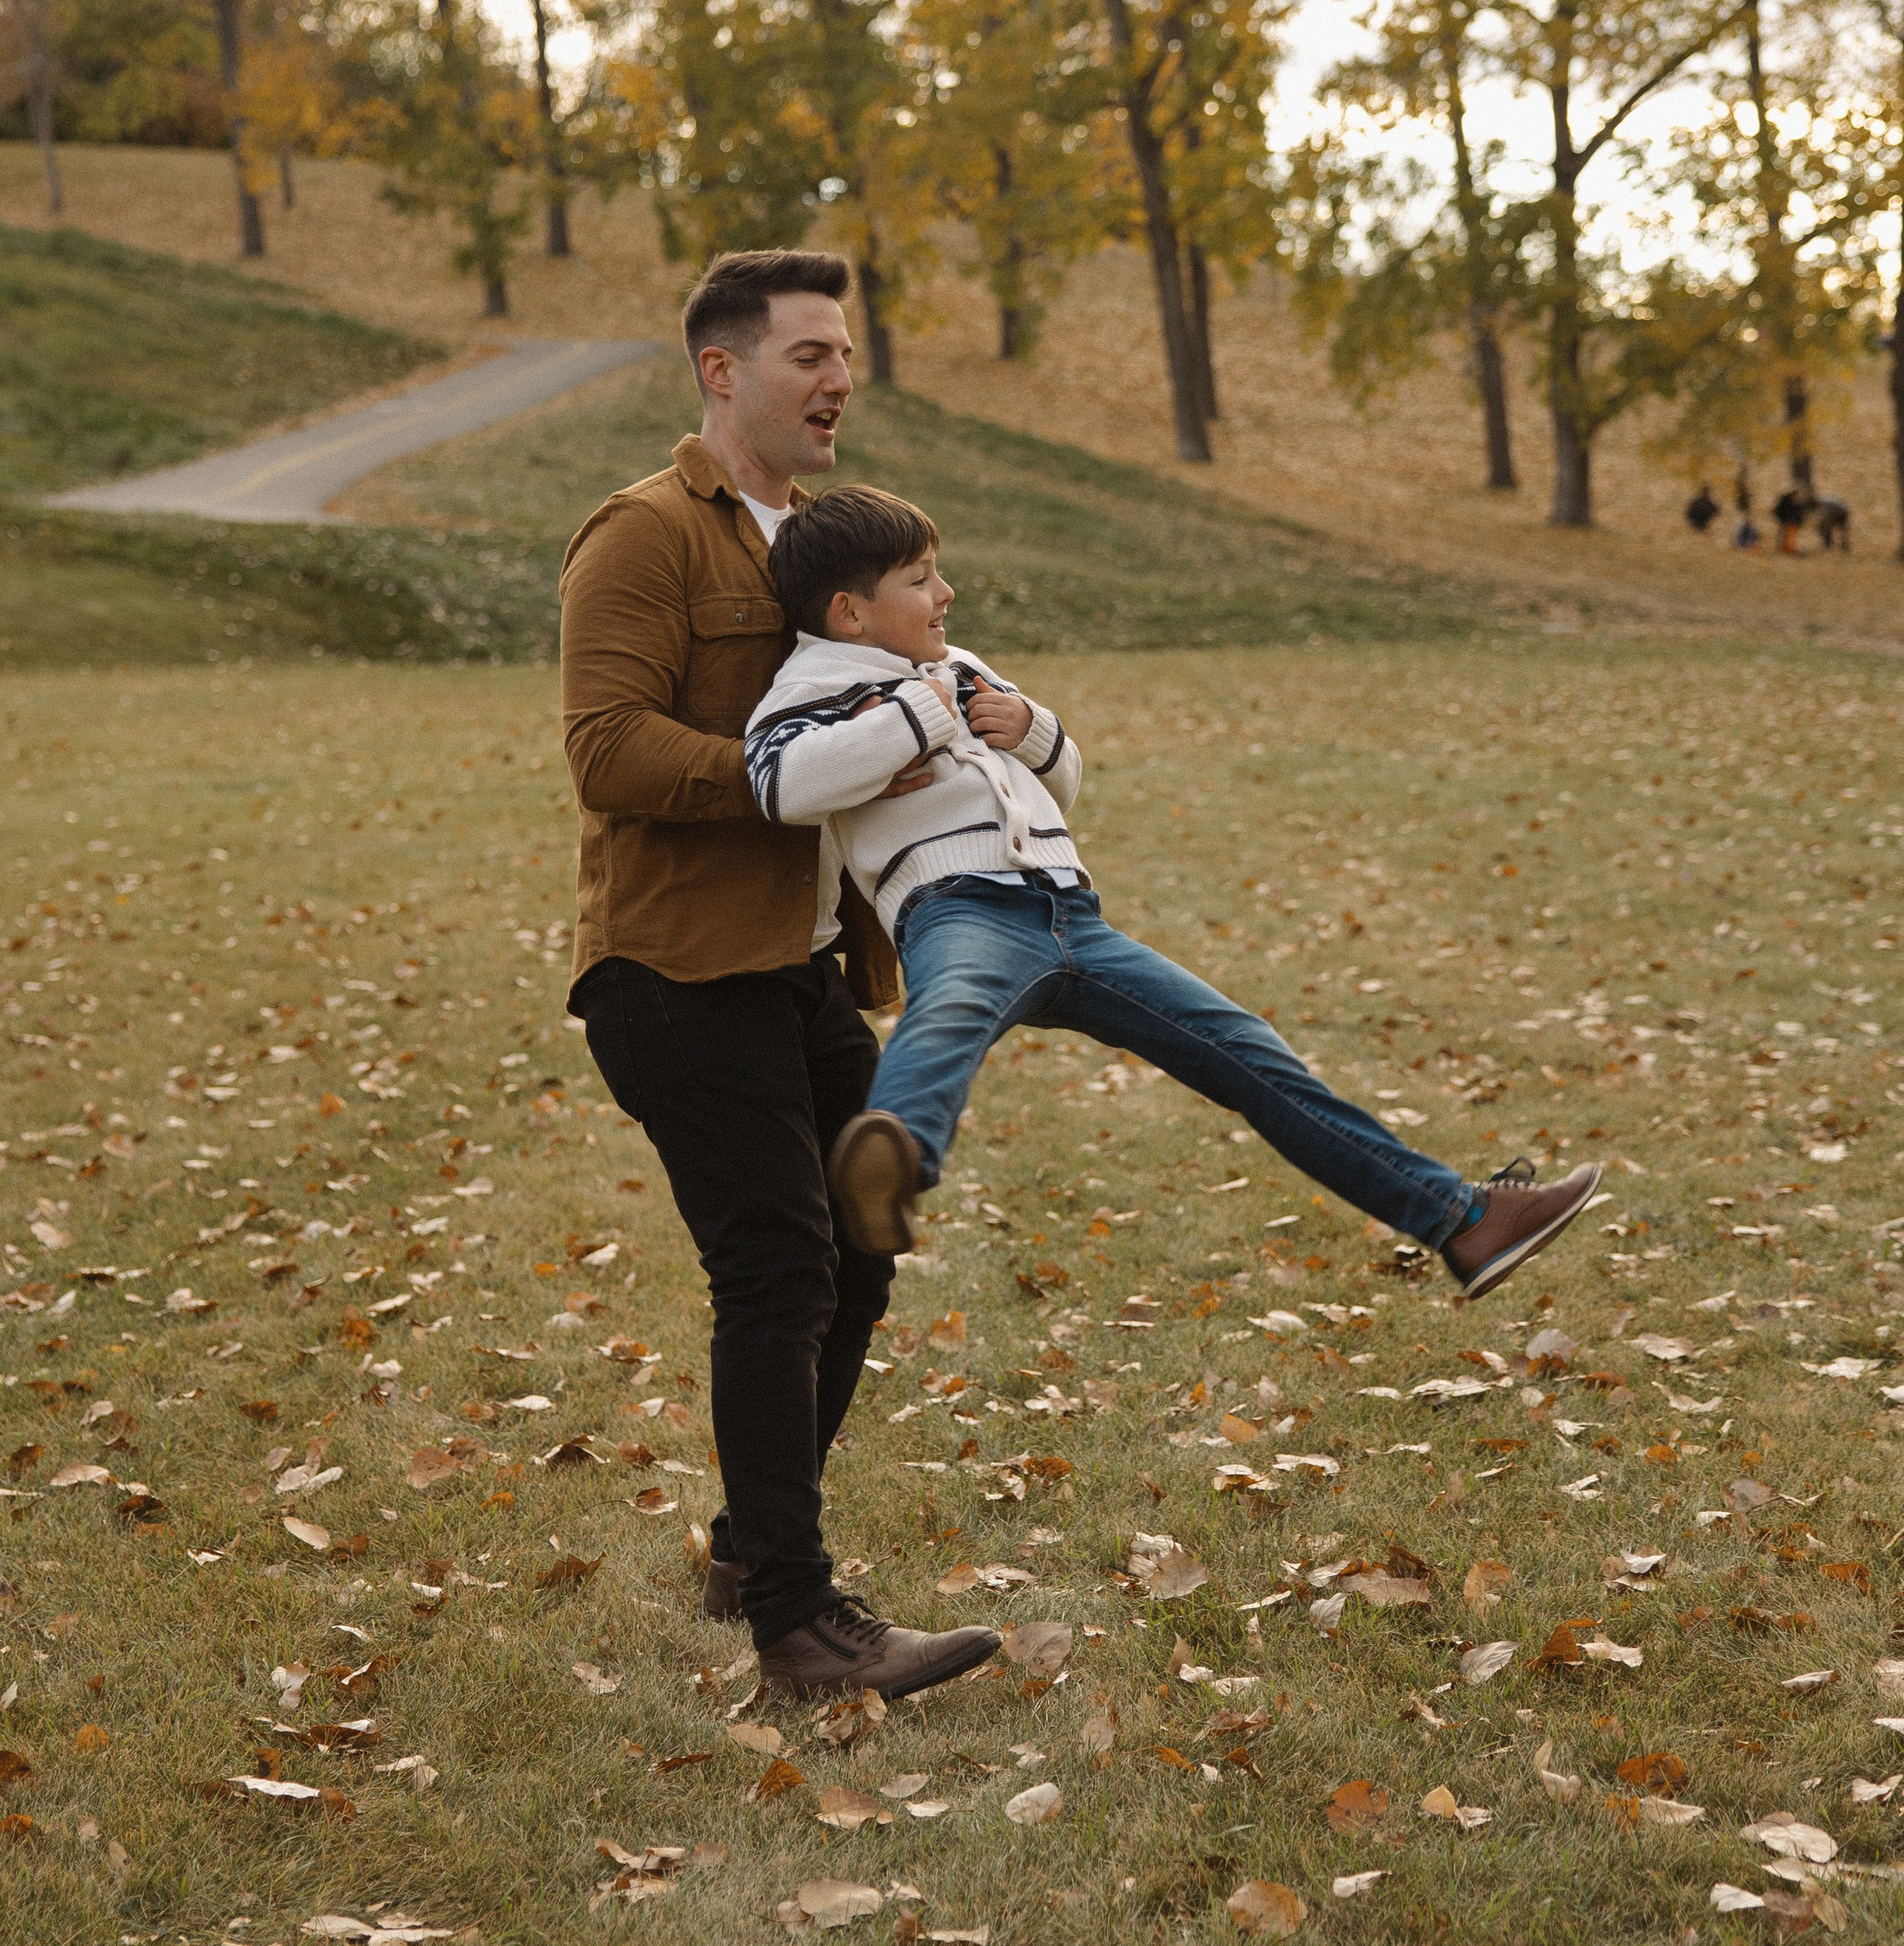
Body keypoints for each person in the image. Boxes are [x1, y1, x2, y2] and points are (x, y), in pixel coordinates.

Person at [745, 486, 1606, 1293]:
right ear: (849, 612)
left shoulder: (954, 664)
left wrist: (1036, 732)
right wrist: (920, 717)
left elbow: (1062, 782)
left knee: (1247, 1052)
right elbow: (783, 786)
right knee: (949, 1013)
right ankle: (893, 1160)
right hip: (960, 912)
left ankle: (1463, 1221)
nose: (947, 591)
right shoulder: (814, 689)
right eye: (920, 579)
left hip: (1075, 918)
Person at [560, 251, 1001, 1705]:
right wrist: (777, 776)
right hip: (677, 973)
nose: (838, 381)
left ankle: (755, 1550)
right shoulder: (643, 538)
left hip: (806, 970)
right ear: (721, 371)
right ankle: (800, 1629)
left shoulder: (828, 543)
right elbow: (607, 749)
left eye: (845, 356)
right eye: (809, 354)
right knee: (780, 1266)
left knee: (865, 1233)